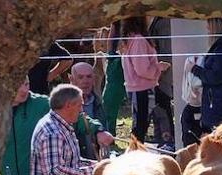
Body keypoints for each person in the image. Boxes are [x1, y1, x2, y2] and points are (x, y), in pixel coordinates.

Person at [120, 16, 173, 145]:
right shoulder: (138, 40)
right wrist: (159, 67)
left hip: (140, 88)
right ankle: (135, 154)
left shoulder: (130, 38)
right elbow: (142, 69)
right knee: (140, 127)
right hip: (142, 88)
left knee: (143, 124)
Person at [67, 61, 115, 159]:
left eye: (89, 77)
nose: (86, 81)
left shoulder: (98, 103)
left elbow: (104, 132)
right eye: (80, 77)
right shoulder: (64, 105)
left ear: (93, 78)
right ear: (71, 79)